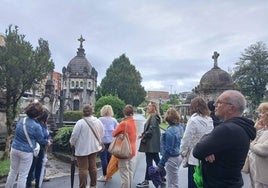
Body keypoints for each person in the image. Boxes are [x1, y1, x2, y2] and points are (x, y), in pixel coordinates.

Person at [193, 90, 256, 188]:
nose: (215, 104)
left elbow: (197, 151)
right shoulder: (240, 127)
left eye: (219, 102)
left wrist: (206, 147)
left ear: (231, 108)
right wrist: (207, 145)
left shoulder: (227, 129)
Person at [5, 102, 51, 188]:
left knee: (12, 172)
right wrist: (47, 142)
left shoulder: (21, 120)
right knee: (23, 175)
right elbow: (41, 140)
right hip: (26, 152)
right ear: (38, 114)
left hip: (14, 148)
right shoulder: (36, 126)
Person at [180, 97, 214, 188]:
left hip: (194, 156)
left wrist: (183, 152)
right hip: (206, 156)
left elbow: (186, 139)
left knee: (194, 182)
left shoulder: (193, 120)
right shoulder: (209, 120)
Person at [69, 104, 104, 188]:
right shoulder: (98, 121)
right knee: (93, 167)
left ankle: (83, 186)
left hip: (82, 149)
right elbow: (102, 133)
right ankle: (93, 185)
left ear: (83, 112)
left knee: (83, 169)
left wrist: (71, 143)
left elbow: (74, 136)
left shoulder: (80, 122)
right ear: (92, 111)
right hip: (94, 148)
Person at [137, 101, 164, 187]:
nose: (148, 107)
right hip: (152, 144)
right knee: (156, 160)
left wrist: (143, 136)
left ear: (153, 107)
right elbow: (150, 129)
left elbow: (150, 131)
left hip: (150, 144)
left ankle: (146, 181)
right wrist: (142, 134)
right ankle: (162, 176)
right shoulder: (154, 116)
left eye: (149, 106)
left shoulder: (153, 117)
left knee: (149, 162)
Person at [156, 108, 185, 188]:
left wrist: (160, 165)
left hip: (172, 158)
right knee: (173, 182)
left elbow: (168, 150)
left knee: (172, 183)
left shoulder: (170, 131)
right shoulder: (180, 128)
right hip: (178, 156)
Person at [112, 104, 137, 188]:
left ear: (124, 113)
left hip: (124, 150)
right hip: (132, 150)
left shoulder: (124, 123)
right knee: (130, 171)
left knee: (124, 173)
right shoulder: (133, 122)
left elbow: (114, 133)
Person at [26, 108, 51, 188]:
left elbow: (47, 134)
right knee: (34, 166)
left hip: (42, 149)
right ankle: (33, 180)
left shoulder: (44, 124)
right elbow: (40, 138)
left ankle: (39, 179)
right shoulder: (37, 124)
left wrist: (49, 139)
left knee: (40, 166)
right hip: (36, 149)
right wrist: (47, 142)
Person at [248, 102, 268, 188]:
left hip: (264, 176)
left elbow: (263, 150)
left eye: (262, 112)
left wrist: (252, 144)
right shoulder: (263, 131)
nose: (260, 115)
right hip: (257, 173)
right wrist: (256, 130)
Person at [97, 105, 118, 182]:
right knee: (109, 158)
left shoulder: (99, 120)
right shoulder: (114, 120)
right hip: (111, 142)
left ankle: (105, 175)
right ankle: (109, 174)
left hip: (102, 142)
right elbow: (117, 130)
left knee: (103, 158)